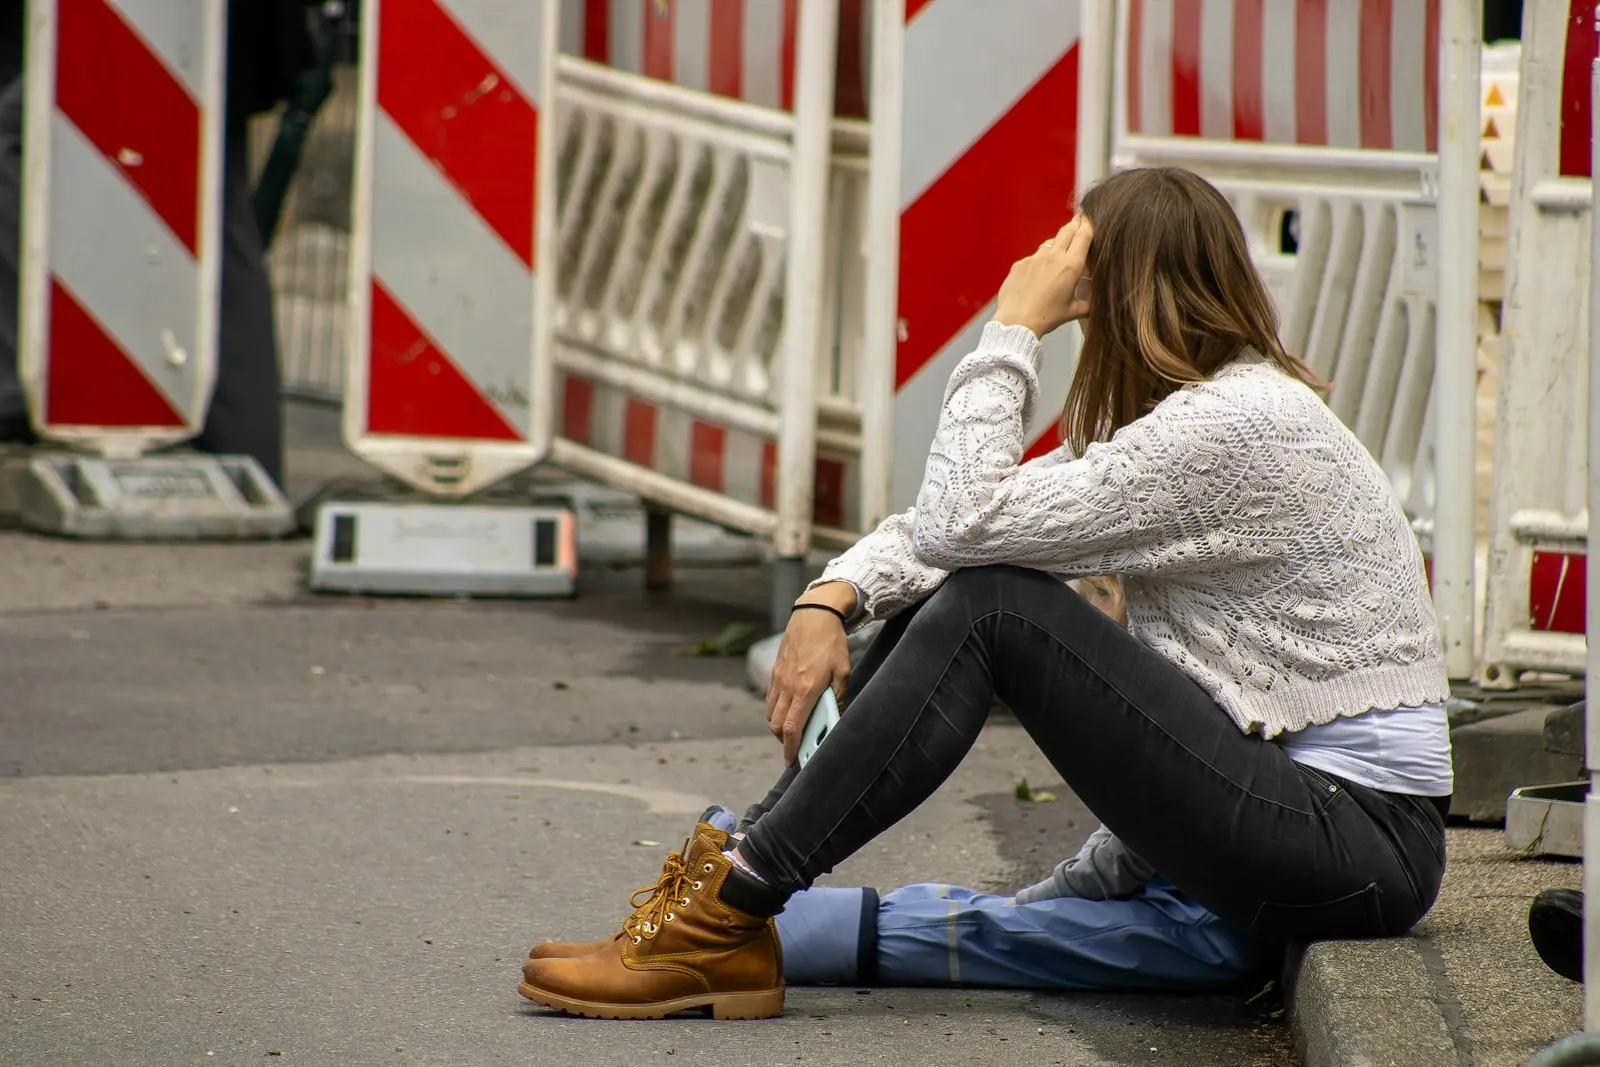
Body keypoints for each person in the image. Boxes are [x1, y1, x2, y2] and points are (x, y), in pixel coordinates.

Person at [519, 166, 1453, 1021]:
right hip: (1325, 826)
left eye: (1083, 296)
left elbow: (964, 521)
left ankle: (732, 905)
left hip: (1358, 842)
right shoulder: (1205, 419)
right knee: (980, 590)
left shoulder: (1234, 429)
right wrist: (831, 594)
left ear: (1125, 299)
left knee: (996, 607)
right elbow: (956, 536)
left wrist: (1011, 330)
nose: (1077, 324)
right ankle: (730, 892)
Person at [531, 578, 1270, 994]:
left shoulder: (1180, 645)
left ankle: (743, 927)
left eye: (1094, 597)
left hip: (1203, 921)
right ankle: (730, 881)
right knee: (987, 918)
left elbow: (1129, 850)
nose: (1082, 612)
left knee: (995, 930)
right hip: (1186, 891)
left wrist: (1041, 897)